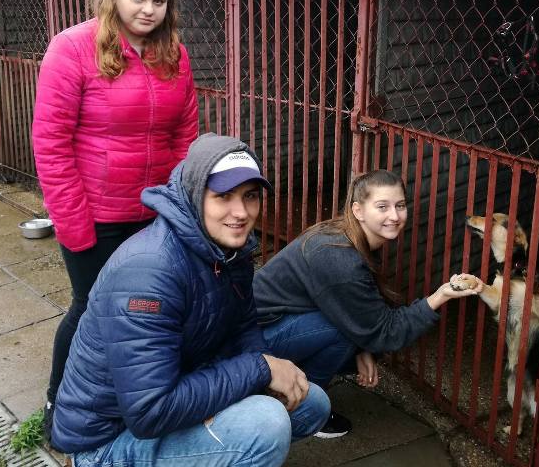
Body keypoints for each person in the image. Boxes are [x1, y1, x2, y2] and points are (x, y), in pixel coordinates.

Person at [51, 133, 330, 466]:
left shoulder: (228, 250)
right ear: (196, 195)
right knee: (265, 424)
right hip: (106, 442)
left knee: (311, 403)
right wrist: (260, 369)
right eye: (223, 196)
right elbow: (149, 412)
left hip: (179, 387)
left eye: (250, 196)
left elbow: (243, 327)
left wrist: (262, 365)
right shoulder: (149, 273)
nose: (241, 212)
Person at [32, 0, 199, 437]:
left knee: (151, 309)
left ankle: (138, 399)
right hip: (96, 214)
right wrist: (74, 224)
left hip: (155, 215)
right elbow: (51, 143)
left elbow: (184, 135)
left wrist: (178, 206)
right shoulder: (72, 48)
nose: (148, 10)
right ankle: (60, 401)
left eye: (159, 1)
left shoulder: (174, 54)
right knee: (91, 309)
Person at [253, 169, 484, 438]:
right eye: (382, 207)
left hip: (272, 326)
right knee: (342, 332)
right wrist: (439, 296)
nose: (394, 216)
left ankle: (293, 391)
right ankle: (301, 408)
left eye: (400, 206)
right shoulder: (339, 257)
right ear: (358, 211)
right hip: (252, 344)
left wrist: (362, 348)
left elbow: (357, 309)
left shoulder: (347, 236)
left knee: (351, 334)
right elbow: (385, 331)